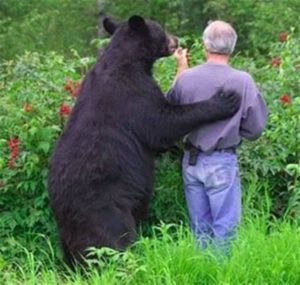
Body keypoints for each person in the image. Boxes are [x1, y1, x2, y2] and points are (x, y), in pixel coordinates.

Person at [166, 20, 268, 254]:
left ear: (205, 45)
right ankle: (221, 276)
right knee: (225, 229)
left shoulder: (187, 79)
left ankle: (202, 274)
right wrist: (232, 130)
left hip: (191, 160)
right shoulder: (243, 81)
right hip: (222, 160)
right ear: (232, 47)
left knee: (199, 228)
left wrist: (181, 68)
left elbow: (168, 113)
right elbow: (255, 129)